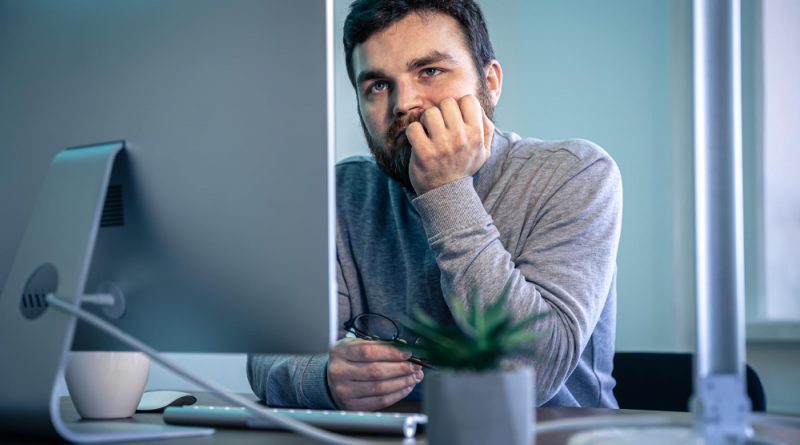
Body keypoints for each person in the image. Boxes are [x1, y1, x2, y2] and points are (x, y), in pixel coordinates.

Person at [248, 0, 622, 411]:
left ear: (490, 81)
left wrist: (445, 190)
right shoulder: (340, 193)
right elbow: (270, 354)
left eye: (430, 71)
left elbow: (532, 373)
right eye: (377, 85)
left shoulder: (575, 175)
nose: (404, 103)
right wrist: (323, 377)